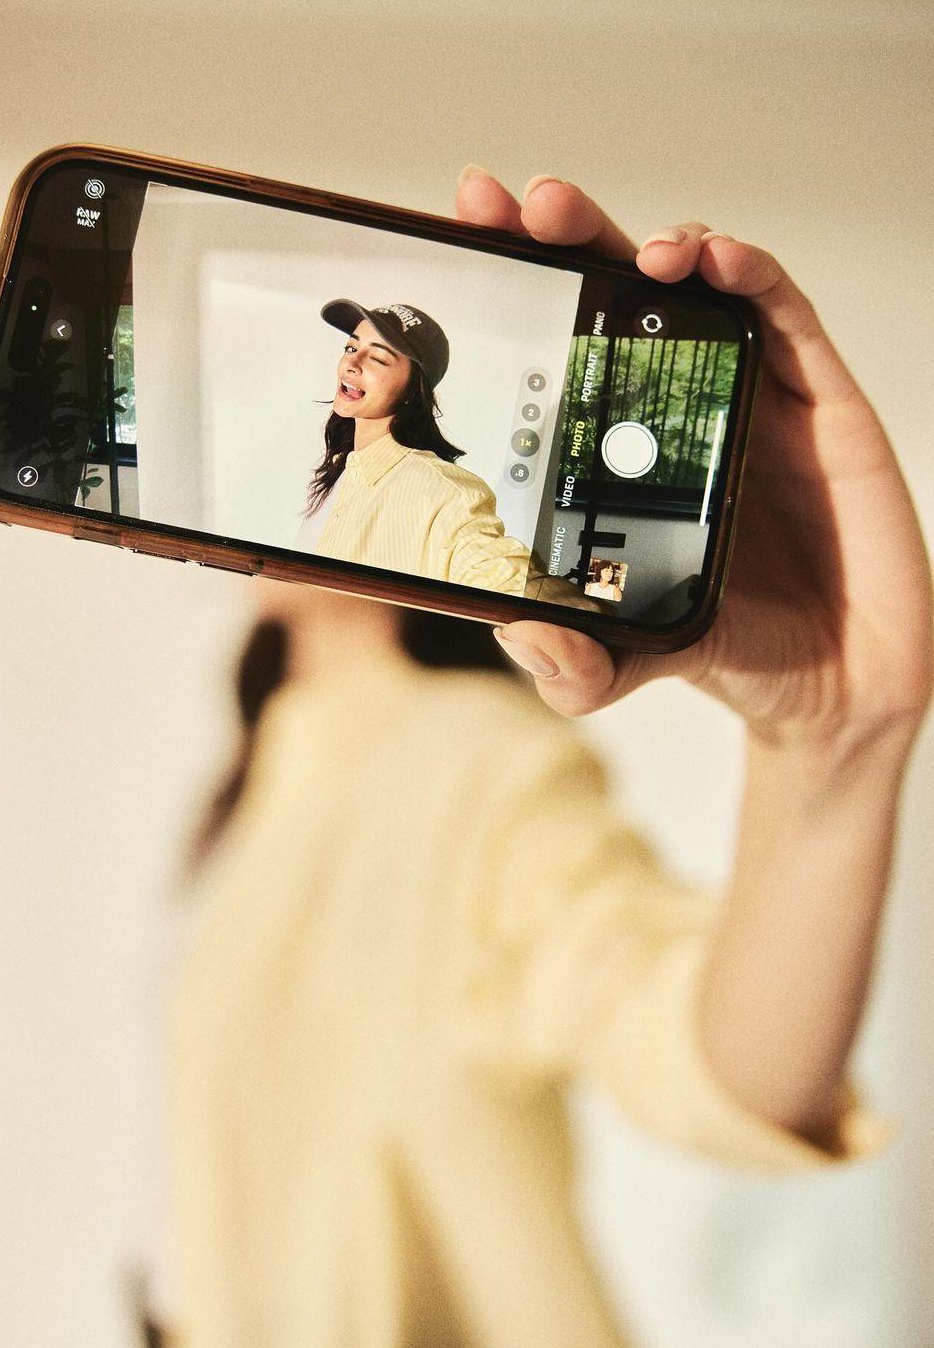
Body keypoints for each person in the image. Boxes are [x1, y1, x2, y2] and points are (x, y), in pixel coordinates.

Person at [160, 167, 932, 1348]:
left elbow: (711, 1057)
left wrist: (836, 746)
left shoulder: (471, 751)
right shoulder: (279, 758)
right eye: (335, 357)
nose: (337, 373)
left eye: (375, 352)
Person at [294, 297, 540, 594]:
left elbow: (509, 581)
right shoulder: (341, 470)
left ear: (414, 389)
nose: (352, 364)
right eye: (352, 347)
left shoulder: (444, 492)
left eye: (378, 358)